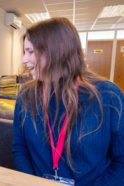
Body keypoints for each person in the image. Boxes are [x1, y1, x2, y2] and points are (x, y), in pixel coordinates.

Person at [12, 17, 124, 185]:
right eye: (24, 52)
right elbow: (20, 149)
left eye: (30, 51)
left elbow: (121, 161)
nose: (23, 60)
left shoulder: (108, 95)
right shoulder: (26, 95)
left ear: (58, 51)